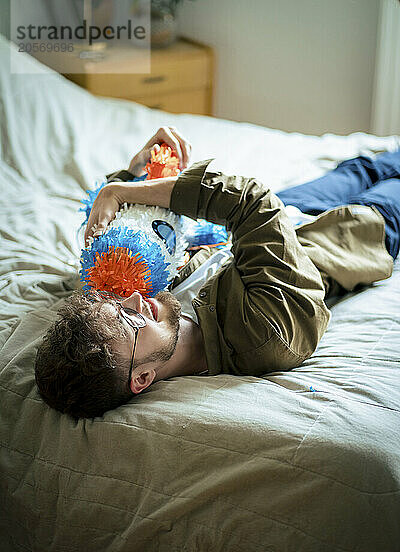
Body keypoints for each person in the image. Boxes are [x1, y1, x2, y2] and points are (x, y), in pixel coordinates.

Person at [34, 127, 400, 418]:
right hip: (351, 231)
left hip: (292, 209)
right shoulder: (262, 335)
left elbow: (129, 234)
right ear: (141, 378)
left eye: (116, 303)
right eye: (130, 320)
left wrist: (135, 170)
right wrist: (122, 189)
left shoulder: (156, 312)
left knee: (360, 168)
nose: (134, 300)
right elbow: (252, 203)